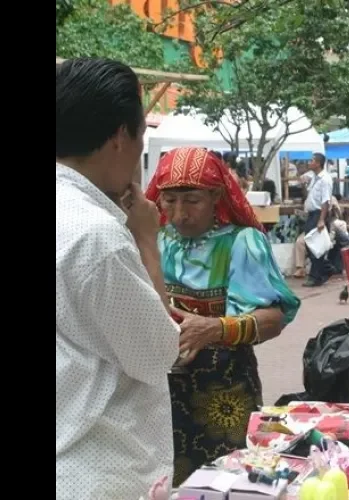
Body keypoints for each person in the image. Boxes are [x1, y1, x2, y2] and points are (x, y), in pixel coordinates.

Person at [56, 57, 180, 499]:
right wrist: (147, 241)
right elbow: (161, 351)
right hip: (96, 469)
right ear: (120, 137)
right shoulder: (97, 237)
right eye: (142, 135)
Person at [145, 147, 302, 485]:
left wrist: (215, 328)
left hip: (225, 390)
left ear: (216, 194)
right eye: (169, 201)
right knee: (164, 480)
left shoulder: (242, 243)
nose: (179, 214)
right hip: (161, 389)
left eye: (191, 200)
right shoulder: (156, 239)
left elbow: (274, 318)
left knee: (224, 481)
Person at [303, 152, 335, 287]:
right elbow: (310, 196)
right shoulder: (314, 178)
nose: (309, 163)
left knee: (315, 245)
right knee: (310, 244)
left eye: (312, 161)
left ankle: (318, 275)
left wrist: (321, 219)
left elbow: (325, 201)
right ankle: (322, 271)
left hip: (318, 214)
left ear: (318, 163)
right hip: (311, 214)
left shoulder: (325, 179)